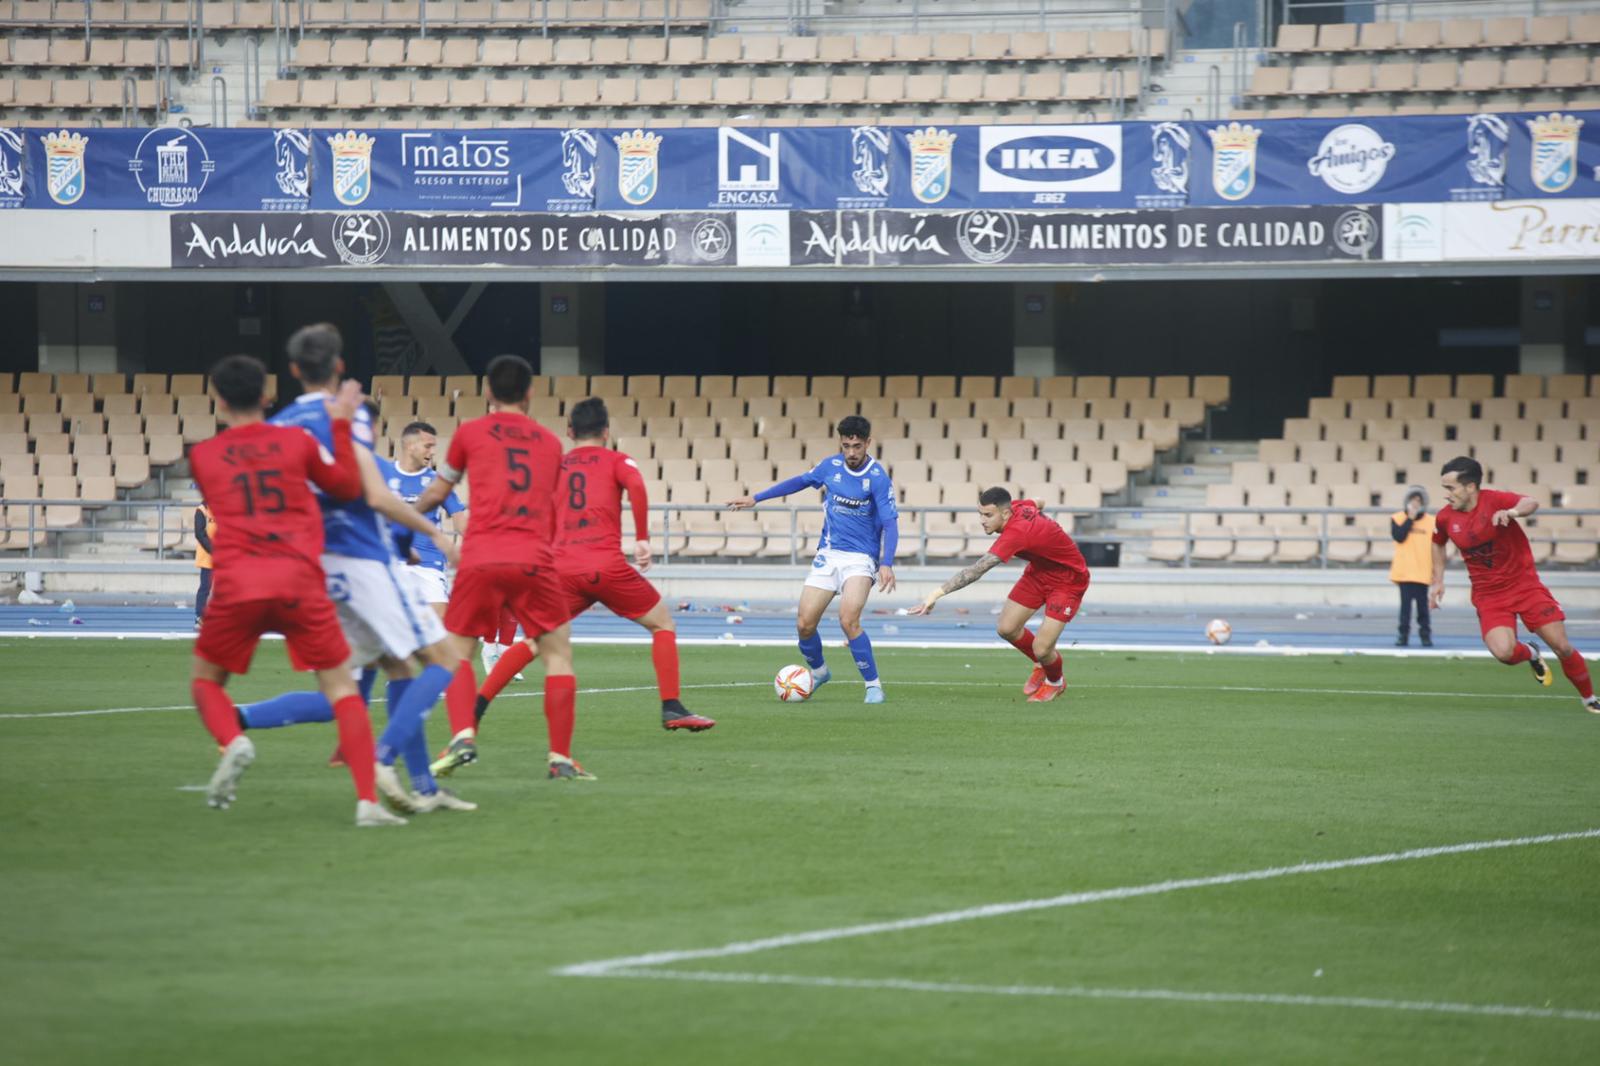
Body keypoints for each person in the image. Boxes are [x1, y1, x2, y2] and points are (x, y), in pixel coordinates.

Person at [244, 324, 471, 815]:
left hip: (316, 573)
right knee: (445, 661)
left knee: (377, 677)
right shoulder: (349, 419)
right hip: (365, 561)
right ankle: (383, 757)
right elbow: (373, 495)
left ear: (293, 371)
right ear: (340, 367)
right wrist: (433, 535)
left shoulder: (279, 428)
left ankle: (424, 791)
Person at [186, 354, 402, 826]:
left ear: (219, 401)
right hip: (299, 580)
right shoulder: (296, 441)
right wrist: (341, 424)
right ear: (268, 396)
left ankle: (234, 739)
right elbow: (345, 486)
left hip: (238, 580)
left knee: (206, 682)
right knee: (343, 691)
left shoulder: (201, 457)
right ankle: (367, 801)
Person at [473, 398, 715, 732]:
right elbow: (636, 486)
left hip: (563, 571)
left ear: (570, 431)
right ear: (606, 431)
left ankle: (476, 706)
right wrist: (642, 538)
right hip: (607, 566)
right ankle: (672, 707)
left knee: (535, 640)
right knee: (662, 625)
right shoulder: (618, 460)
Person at [414, 354, 589, 780]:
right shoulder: (551, 444)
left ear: (488, 392)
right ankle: (560, 758)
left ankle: (463, 735)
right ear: (530, 393)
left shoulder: (470, 434)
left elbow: (439, 491)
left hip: (481, 555)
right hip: (533, 557)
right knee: (557, 656)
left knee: (459, 650)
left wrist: (404, 521)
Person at [728, 414, 897, 704]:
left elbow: (890, 522)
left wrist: (887, 562)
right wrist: (756, 498)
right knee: (805, 624)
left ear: (868, 443)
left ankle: (873, 685)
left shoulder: (878, 478)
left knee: (848, 619)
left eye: (857, 446)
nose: (852, 453)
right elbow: (799, 482)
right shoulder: (829, 467)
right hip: (828, 554)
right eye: (847, 446)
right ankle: (819, 672)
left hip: (860, 558)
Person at [1430, 456, 1597, 712]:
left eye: (1450, 488)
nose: (1446, 495)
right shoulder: (1444, 518)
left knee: (1562, 646)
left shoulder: (1495, 500)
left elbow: (1531, 502)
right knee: (1504, 653)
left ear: (1471, 486)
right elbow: (1438, 543)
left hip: (1524, 586)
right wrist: (1438, 580)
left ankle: (1589, 698)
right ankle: (1531, 653)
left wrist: (1512, 512)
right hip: (1489, 595)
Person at [909, 487, 1090, 704]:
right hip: (1038, 573)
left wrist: (935, 594)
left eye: (988, 515)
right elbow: (1038, 501)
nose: (982, 521)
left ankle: (1055, 682)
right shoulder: (1017, 507)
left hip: (1068, 581)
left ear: (1005, 514)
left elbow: (976, 570)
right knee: (1007, 628)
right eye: (980, 514)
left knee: (1042, 648)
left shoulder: (1016, 533)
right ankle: (1042, 664)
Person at [378, 420, 465, 618]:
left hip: (429, 565)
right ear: (410, 446)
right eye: (428, 446)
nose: (432, 452)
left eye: (433, 446)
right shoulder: (383, 475)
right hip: (391, 561)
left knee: (439, 632)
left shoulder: (438, 482)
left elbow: (460, 519)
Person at [1389, 486, 1434, 647]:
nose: (1415, 504)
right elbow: (1399, 537)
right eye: (1412, 501)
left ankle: (1425, 635)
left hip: (1423, 571)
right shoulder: (1397, 518)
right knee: (1405, 609)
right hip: (1405, 571)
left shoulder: (1431, 521)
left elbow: (1437, 546)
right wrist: (1410, 518)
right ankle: (1403, 635)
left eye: (1418, 501)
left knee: (1423, 608)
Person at [193, 501, 215, 628]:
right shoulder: (202, 510)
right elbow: (200, 533)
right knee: (205, 587)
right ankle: (199, 617)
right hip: (208, 556)